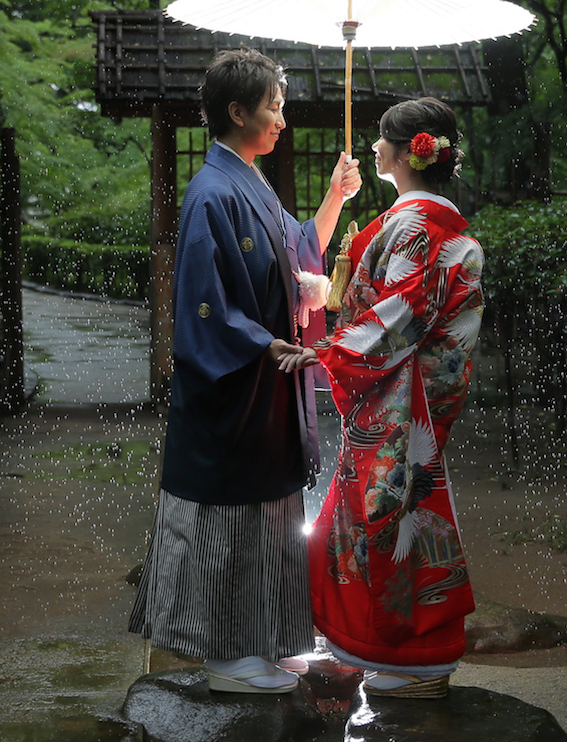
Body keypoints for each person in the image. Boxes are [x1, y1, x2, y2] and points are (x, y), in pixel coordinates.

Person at [129, 48, 360, 694]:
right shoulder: (211, 194)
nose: (282, 119)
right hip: (232, 396)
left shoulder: (248, 181)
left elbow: (298, 252)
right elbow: (205, 310)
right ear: (237, 112)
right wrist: (268, 345)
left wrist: (335, 199)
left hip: (263, 393)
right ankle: (226, 655)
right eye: (274, 106)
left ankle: (263, 640)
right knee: (230, 523)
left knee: (268, 517)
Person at [303, 97, 484, 699]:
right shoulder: (433, 220)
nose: (374, 148)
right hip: (418, 395)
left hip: (400, 394)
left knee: (384, 517)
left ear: (412, 151)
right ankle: (402, 655)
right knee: (396, 514)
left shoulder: (414, 225)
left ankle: (410, 661)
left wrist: (330, 352)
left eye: (383, 140)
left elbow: (399, 315)